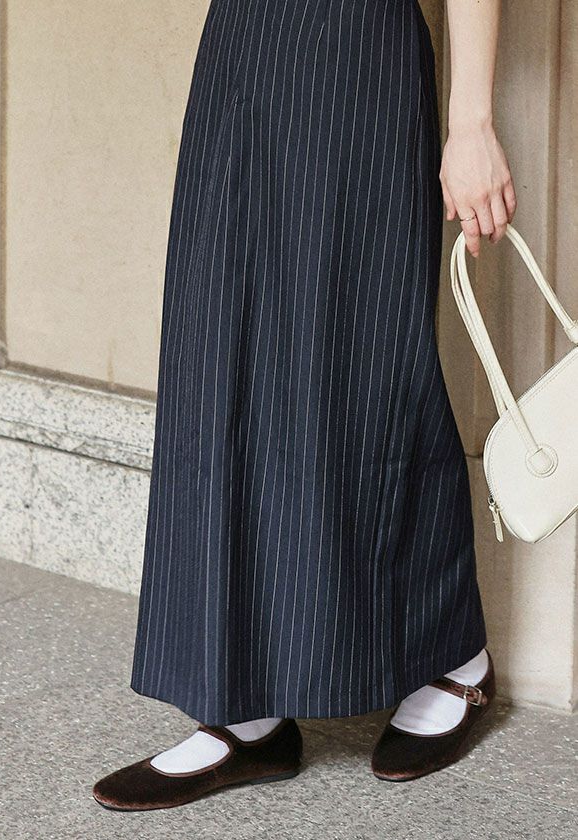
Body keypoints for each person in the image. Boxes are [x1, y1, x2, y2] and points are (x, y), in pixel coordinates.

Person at [93, 0, 516, 811]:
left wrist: (471, 123)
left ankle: (453, 656)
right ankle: (244, 712)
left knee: (366, 361)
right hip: (239, 50)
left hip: (356, 55)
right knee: (217, 363)